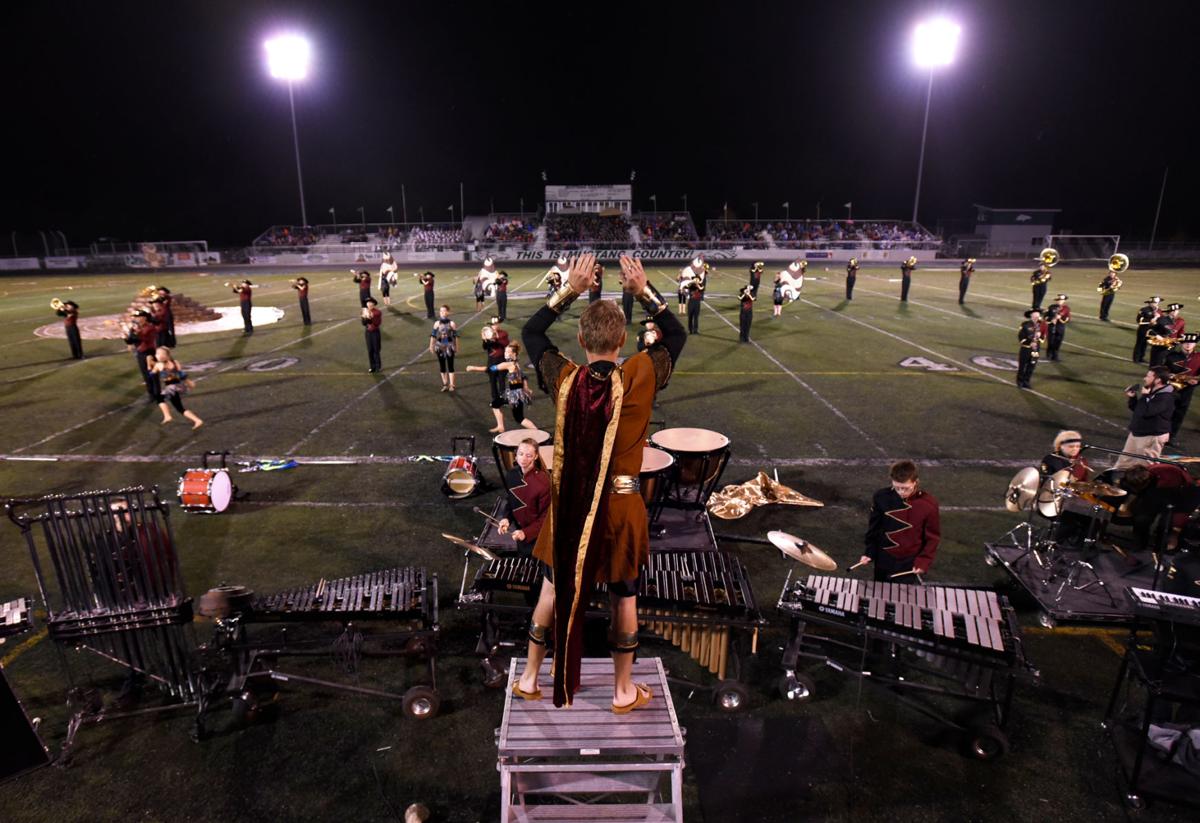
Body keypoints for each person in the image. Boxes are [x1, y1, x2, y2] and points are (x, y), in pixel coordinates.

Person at [514, 252, 686, 711]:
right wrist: (643, 291)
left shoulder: (564, 377)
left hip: (570, 507)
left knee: (552, 588)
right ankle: (621, 691)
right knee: (623, 596)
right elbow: (676, 334)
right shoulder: (641, 374)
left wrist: (569, 289)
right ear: (625, 338)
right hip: (622, 508)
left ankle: (531, 677)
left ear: (579, 339)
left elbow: (531, 332)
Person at [859, 460, 940, 581]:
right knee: (878, 594)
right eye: (897, 488)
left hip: (908, 562)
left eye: (905, 488)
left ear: (915, 482)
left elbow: (932, 538)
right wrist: (869, 552)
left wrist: (923, 561)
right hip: (883, 558)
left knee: (903, 597)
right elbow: (874, 528)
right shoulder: (881, 497)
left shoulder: (928, 504)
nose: (901, 492)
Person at [1120, 462, 1200, 552]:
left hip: (1174, 498)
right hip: (1154, 494)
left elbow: (1186, 505)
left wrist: (1175, 531)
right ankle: (1138, 546)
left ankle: (1160, 550)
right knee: (1141, 520)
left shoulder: (1173, 478)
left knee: (1165, 526)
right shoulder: (1146, 475)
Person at [495, 439, 552, 555]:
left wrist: (526, 532)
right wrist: (506, 518)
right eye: (520, 454)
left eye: (528, 455)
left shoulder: (543, 482)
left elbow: (547, 517)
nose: (523, 458)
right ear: (516, 454)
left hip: (539, 536)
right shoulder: (512, 475)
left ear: (536, 456)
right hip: (520, 532)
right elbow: (511, 500)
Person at [1115, 366, 1177, 470]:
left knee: (1144, 469)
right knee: (1123, 463)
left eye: (1148, 376)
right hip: (1137, 433)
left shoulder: (1166, 397)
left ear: (1158, 380)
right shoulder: (1153, 392)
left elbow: (1148, 412)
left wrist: (1145, 397)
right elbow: (1139, 410)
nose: (1145, 378)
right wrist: (1133, 398)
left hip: (1151, 436)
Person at [467, 341, 538, 432]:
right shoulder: (516, 363)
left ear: (514, 354)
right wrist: (526, 388)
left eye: (508, 352)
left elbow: (490, 369)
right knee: (514, 414)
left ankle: (537, 432)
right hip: (519, 393)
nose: (505, 353)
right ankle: (501, 426)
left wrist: (473, 368)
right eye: (505, 351)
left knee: (500, 408)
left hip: (514, 395)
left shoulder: (508, 364)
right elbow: (523, 377)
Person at [149, 347, 203, 428]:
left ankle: (167, 416)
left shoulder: (158, 364)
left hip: (171, 388)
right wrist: (189, 383)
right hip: (179, 386)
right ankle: (197, 420)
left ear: (164, 355)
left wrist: (148, 364)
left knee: (159, 398)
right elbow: (182, 375)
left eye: (158, 353)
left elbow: (151, 375)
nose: (156, 355)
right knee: (179, 407)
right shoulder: (175, 362)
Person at [1165, 333, 1200, 449]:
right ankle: (1160, 434)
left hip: (1187, 391)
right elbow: (1163, 372)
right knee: (1165, 412)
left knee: (1179, 414)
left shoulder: (1199, 357)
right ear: (1182, 343)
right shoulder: (1171, 356)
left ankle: (1171, 436)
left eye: (1191, 343)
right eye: (1186, 342)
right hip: (1171, 389)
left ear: (1195, 344)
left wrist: (1196, 382)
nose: (1188, 345)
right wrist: (1170, 376)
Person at [481, 317, 511, 431]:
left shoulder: (503, 333)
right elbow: (485, 348)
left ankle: (503, 399)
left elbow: (505, 344)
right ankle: (495, 399)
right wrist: (485, 340)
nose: (494, 326)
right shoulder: (488, 334)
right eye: (492, 325)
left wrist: (496, 338)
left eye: (496, 324)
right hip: (492, 361)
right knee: (492, 381)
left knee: (502, 380)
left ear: (499, 324)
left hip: (502, 360)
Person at [124, 310, 161, 400]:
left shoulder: (150, 327)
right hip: (140, 353)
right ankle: (151, 394)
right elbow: (131, 341)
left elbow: (145, 339)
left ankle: (158, 394)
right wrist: (127, 336)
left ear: (144, 318)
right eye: (135, 317)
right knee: (145, 375)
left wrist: (136, 332)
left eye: (138, 317)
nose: (136, 319)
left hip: (150, 353)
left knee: (153, 374)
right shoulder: (135, 327)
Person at [429, 304, 458, 392]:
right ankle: (445, 384)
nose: (442, 312)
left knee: (450, 366)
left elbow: (456, 336)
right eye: (441, 311)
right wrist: (431, 346)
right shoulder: (436, 323)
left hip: (449, 346)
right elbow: (433, 336)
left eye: (444, 311)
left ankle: (452, 385)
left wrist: (457, 347)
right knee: (442, 366)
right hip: (440, 346)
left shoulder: (452, 323)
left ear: (448, 312)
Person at [1148, 303, 1184, 368]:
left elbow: (1181, 333)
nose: (1177, 312)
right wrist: (1157, 336)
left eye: (1178, 310)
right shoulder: (1161, 319)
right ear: (1171, 311)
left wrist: (1182, 340)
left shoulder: (1181, 321)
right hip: (1159, 345)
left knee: (1169, 363)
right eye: (1175, 310)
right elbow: (1151, 330)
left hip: (1172, 345)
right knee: (1156, 363)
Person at [1017, 308, 1042, 389]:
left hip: (1035, 349)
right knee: (1022, 366)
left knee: (1032, 365)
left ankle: (1026, 381)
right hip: (1026, 349)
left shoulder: (1040, 325)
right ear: (1031, 315)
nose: (1036, 317)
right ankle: (1020, 381)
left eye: (1038, 315)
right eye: (1035, 315)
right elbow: (1021, 337)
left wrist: (1040, 336)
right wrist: (1029, 342)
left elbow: (1043, 337)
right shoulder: (1025, 324)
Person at [1134, 297, 1162, 363]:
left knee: (1145, 345)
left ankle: (1141, 357)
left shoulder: (1159, 310)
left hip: (1152, 331)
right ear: (1150, 303)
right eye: (1155, 303)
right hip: (1143, 329)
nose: (1156, 304)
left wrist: (1157, 321)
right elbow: (1139, 320)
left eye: (1157, 303)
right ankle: (1136, 359)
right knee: (1139, 344)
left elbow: (1160, 320)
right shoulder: (1144, 310)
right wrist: (1151, 320)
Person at [1044, 294, 1071, 361]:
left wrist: (1060, 318)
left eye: (1061, 300)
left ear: (1064, 301)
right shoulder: (1051, 307)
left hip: (1060, 327)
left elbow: (1068, 318)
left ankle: (1055, 356)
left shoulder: (1066, 308)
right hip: (1051, 326)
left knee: (1058, 342)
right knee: (1050, 341)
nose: (1060, 301)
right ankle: (1049, 354)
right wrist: (1051, 319)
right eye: (1059, 300)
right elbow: (1045, 316)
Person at [362, 297, 383, 373]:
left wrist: (368, 315)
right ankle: (372, 366)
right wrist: (364, 317)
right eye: (367, 303)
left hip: (375, 333)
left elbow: (375, 323)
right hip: (368, 333)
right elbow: (364, 323)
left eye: (370, 302)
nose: (369, 304)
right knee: (370, 350)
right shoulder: (366, 312)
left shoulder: (377, 312)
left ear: (374, 304)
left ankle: (378, 366)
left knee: (376, 350)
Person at [685, 265, 705, 334]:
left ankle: (696, 330)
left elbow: (701, 289)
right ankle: (690, 330)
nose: (696, 280)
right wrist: (692, 283)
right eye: (695, 279)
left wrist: (698, 284)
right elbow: (686, 287)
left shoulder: (701, 285)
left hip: (697, 303)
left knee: (696, 317)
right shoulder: (691, 285)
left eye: (697, 279)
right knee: (690, 317)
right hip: (691, 303)